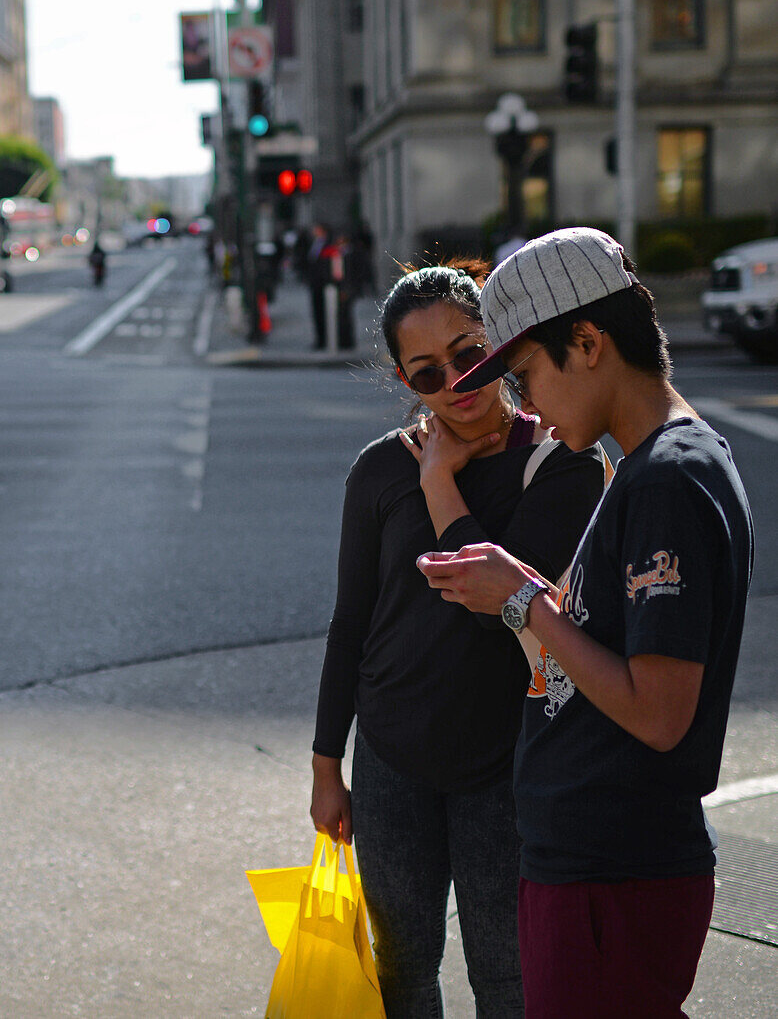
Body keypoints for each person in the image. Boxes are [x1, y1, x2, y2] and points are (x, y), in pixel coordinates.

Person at [417, 228, 754, 1019]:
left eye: (529, 372)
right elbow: (619, 641)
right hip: (595, 865)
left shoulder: (669, 478)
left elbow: (661, 712)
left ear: (589, 342)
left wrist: (526, 602)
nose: (525, 402)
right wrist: (527, 585)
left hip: (615, 870)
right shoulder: (651, 464)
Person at [310, 260, 607, 1018]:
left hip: (504, 766)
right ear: (406, 382)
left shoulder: (562, 461)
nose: (457, 381)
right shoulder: (380, 470)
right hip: (390, 758)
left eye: (470, 352)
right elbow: (352, 622)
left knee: (506, 975)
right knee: (404, 968)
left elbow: (498, 608)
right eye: (426, 373)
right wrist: (325, 765)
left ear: (500, 341)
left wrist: (441, 484)